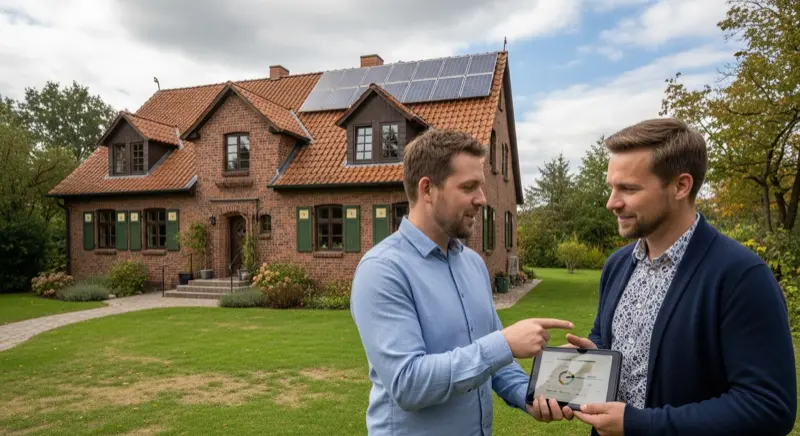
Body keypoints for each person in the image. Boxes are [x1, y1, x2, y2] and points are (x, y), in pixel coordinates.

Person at [529, 118, 797, 436]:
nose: (611, 202)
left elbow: (769, 406)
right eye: (611, 188)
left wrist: (639, 424)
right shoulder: (617, 265)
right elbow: (607, 338)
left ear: (681, 186)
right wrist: (592, 356)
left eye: (628, 189)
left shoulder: (741, 276)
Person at [350, 128, 574, 435]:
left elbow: (494, 360)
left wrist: (529, 395)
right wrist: (504, 343)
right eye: (469, 187)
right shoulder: (383, 270)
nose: (481, 199)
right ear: (427, 189)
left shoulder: (472, 263)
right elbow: (408, 384)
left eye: (480, 187)